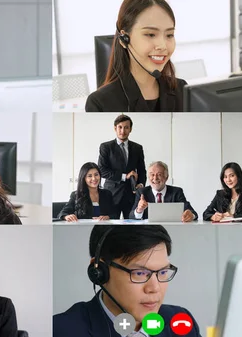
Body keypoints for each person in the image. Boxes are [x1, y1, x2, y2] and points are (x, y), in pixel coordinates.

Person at [53, 225, 203, 337]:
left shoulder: (179, 321)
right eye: (140, 273)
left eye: (163, 272)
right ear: (99, 272)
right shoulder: (61, 330)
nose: (154, 288)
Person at [85, 0, 187, 112]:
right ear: (124, 40)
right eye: (150, 34)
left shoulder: (181, 90)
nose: (163, 46)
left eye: (169, 35)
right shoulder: (100, 103)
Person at [98, 114, 146, 219]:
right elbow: (102, 170)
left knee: (132, 225)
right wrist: (124, 176)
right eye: (120, 127)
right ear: (115, 128)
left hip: (131, 194)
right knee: (110, 226)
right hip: (111, 194)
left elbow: (142, 170)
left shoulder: (137, 148)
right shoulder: (106, 147)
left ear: (130, 129)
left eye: (126, 127)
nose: (123, 130)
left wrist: (141, 184)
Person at [130, 161, 197, 222]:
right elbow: (131, 216)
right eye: (152, 174)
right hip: (149, 231)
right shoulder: (142, 192)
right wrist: (139, 210)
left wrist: (191, 215)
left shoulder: (176, 192)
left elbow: (192, 212)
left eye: (159, 174)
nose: (155, 178)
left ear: (166, 177)